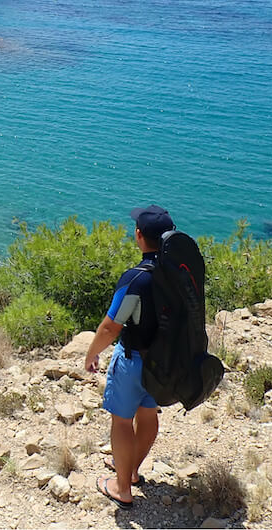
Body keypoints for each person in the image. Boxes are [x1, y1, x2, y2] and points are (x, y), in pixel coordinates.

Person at [85, 204, 176, 510]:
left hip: (134, 359)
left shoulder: (136, 278)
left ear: (139, 236)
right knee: (148, 415)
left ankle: (122, 488)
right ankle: (132, 470)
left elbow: (111, 326)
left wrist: (91, 353)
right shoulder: (178, 272)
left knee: (122, 422)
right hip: (163, 361)